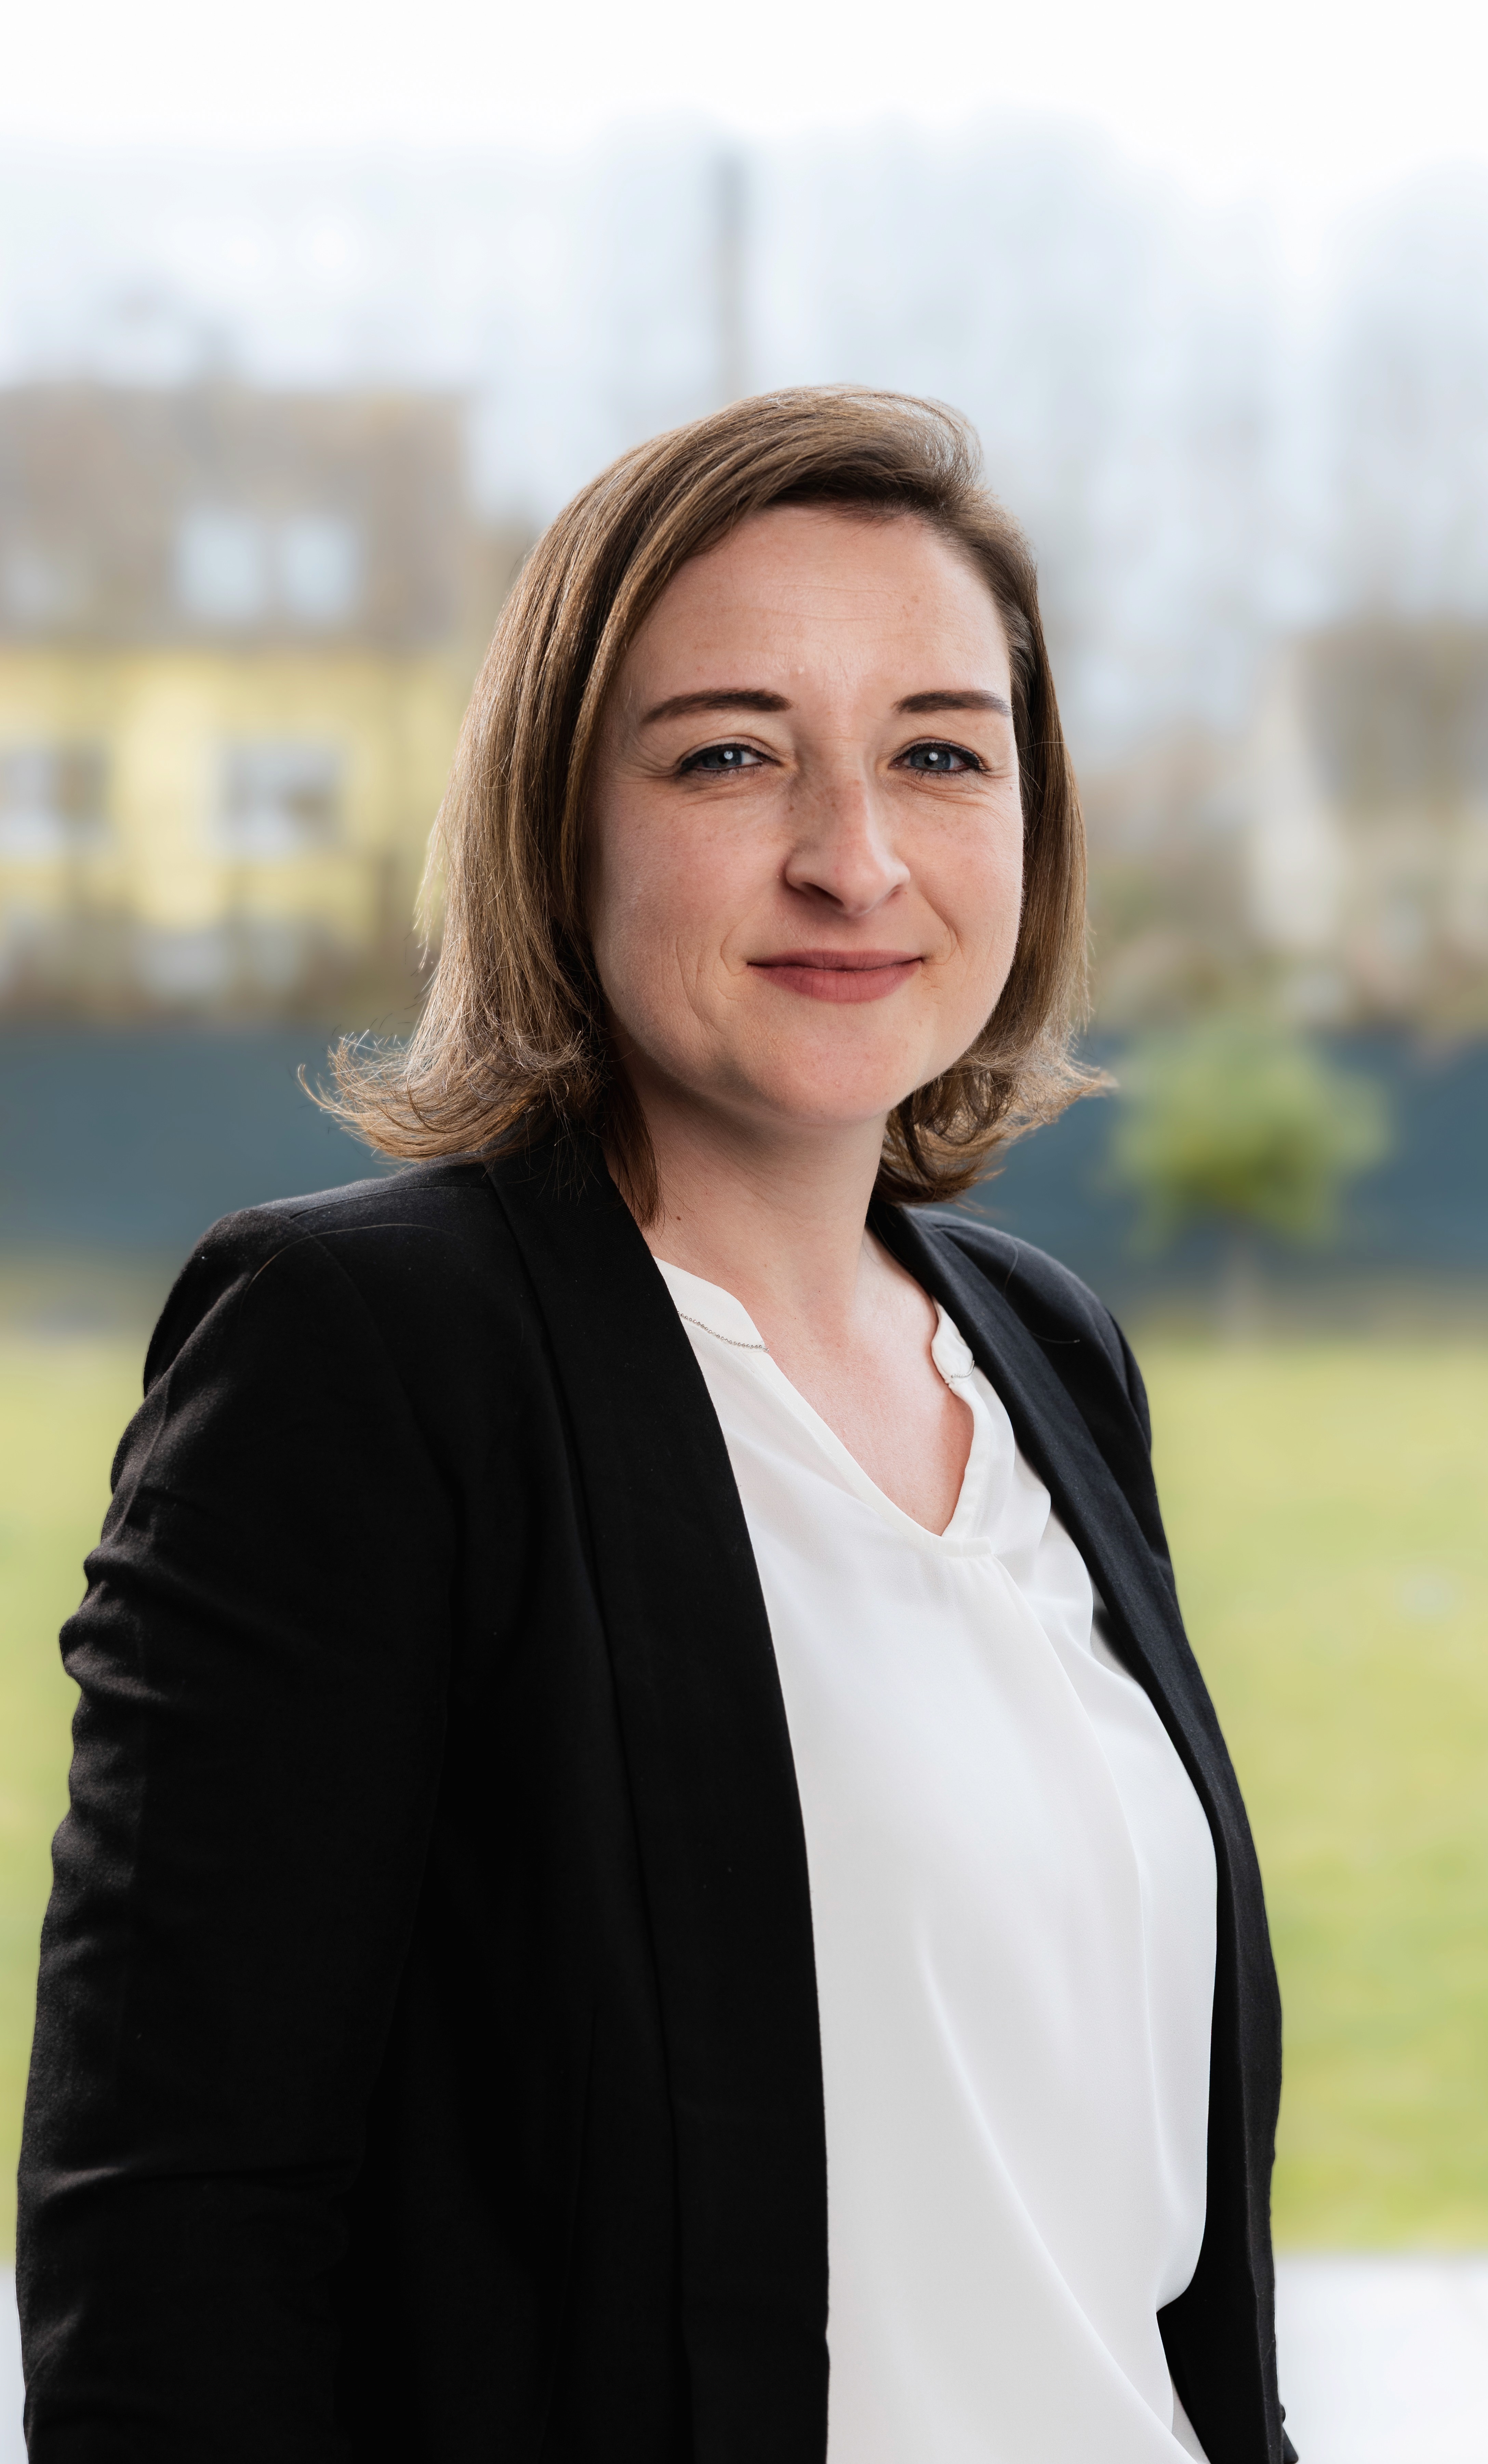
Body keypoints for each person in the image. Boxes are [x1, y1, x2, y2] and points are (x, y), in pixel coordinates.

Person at [18, 387, 1294, 2463]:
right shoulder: (367, 1355)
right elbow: (175, 2232)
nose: (851, 855)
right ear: (559, 812)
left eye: (938, 753)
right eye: (728, 752)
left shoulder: (1049, 1355)